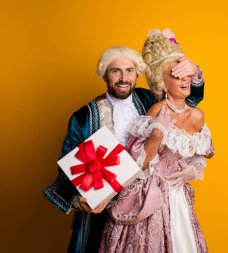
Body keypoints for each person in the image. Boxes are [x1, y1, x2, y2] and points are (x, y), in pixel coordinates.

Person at [43, 41, 205, 253]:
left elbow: (187, 99)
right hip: (99, 212)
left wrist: (195, 72)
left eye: (129, 71)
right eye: (115, 71)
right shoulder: (83, 117)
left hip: (143, 209)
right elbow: (67, 167)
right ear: (104, 75)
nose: (123, 78)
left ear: (137, 74)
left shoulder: (150, 99)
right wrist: (76, 200)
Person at [99, 29, 214, 253]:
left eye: (186, 74)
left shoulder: (198, 115)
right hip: (150, 197)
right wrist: (157, 134)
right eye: (176, 74)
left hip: (179, 199)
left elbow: (202, 153)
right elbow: (136, 161)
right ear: (161, 82)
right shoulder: (154, 111)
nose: (184, 80)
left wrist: (193, 170)